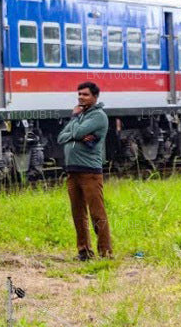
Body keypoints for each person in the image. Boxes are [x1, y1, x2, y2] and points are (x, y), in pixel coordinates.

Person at [57, 81, 112, 260]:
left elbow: (77, 133)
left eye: (85, 94)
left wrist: (74, 124)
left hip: (90, 172)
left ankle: (106, 252)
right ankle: (84, 251)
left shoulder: (98, 116)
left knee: (97, 213)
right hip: (73, 172)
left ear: (95, 97)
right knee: (78, 214)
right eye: (79, 94)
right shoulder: (80, 116)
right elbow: (61, 137)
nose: (81, 97)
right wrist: (76, 132)